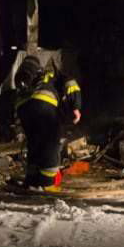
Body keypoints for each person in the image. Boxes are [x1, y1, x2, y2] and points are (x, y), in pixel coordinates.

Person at [14, 56, 82, 192]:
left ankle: (32, 180)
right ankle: (47, 184)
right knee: (51, 144)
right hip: (43, 104)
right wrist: (76, 106)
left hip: (22, 108)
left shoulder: (29, 80)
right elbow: (71, 84)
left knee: (35, 143)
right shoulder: (53, 75)